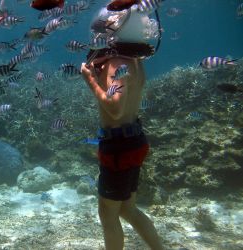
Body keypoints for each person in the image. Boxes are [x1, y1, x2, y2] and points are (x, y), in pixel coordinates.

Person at [81, 2, 164, 250]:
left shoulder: (116, 63)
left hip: (118, 147)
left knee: (108, 215)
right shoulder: (135, 62)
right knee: (127, 208)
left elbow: (115, 108)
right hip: (133, 142)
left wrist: (90, 81)